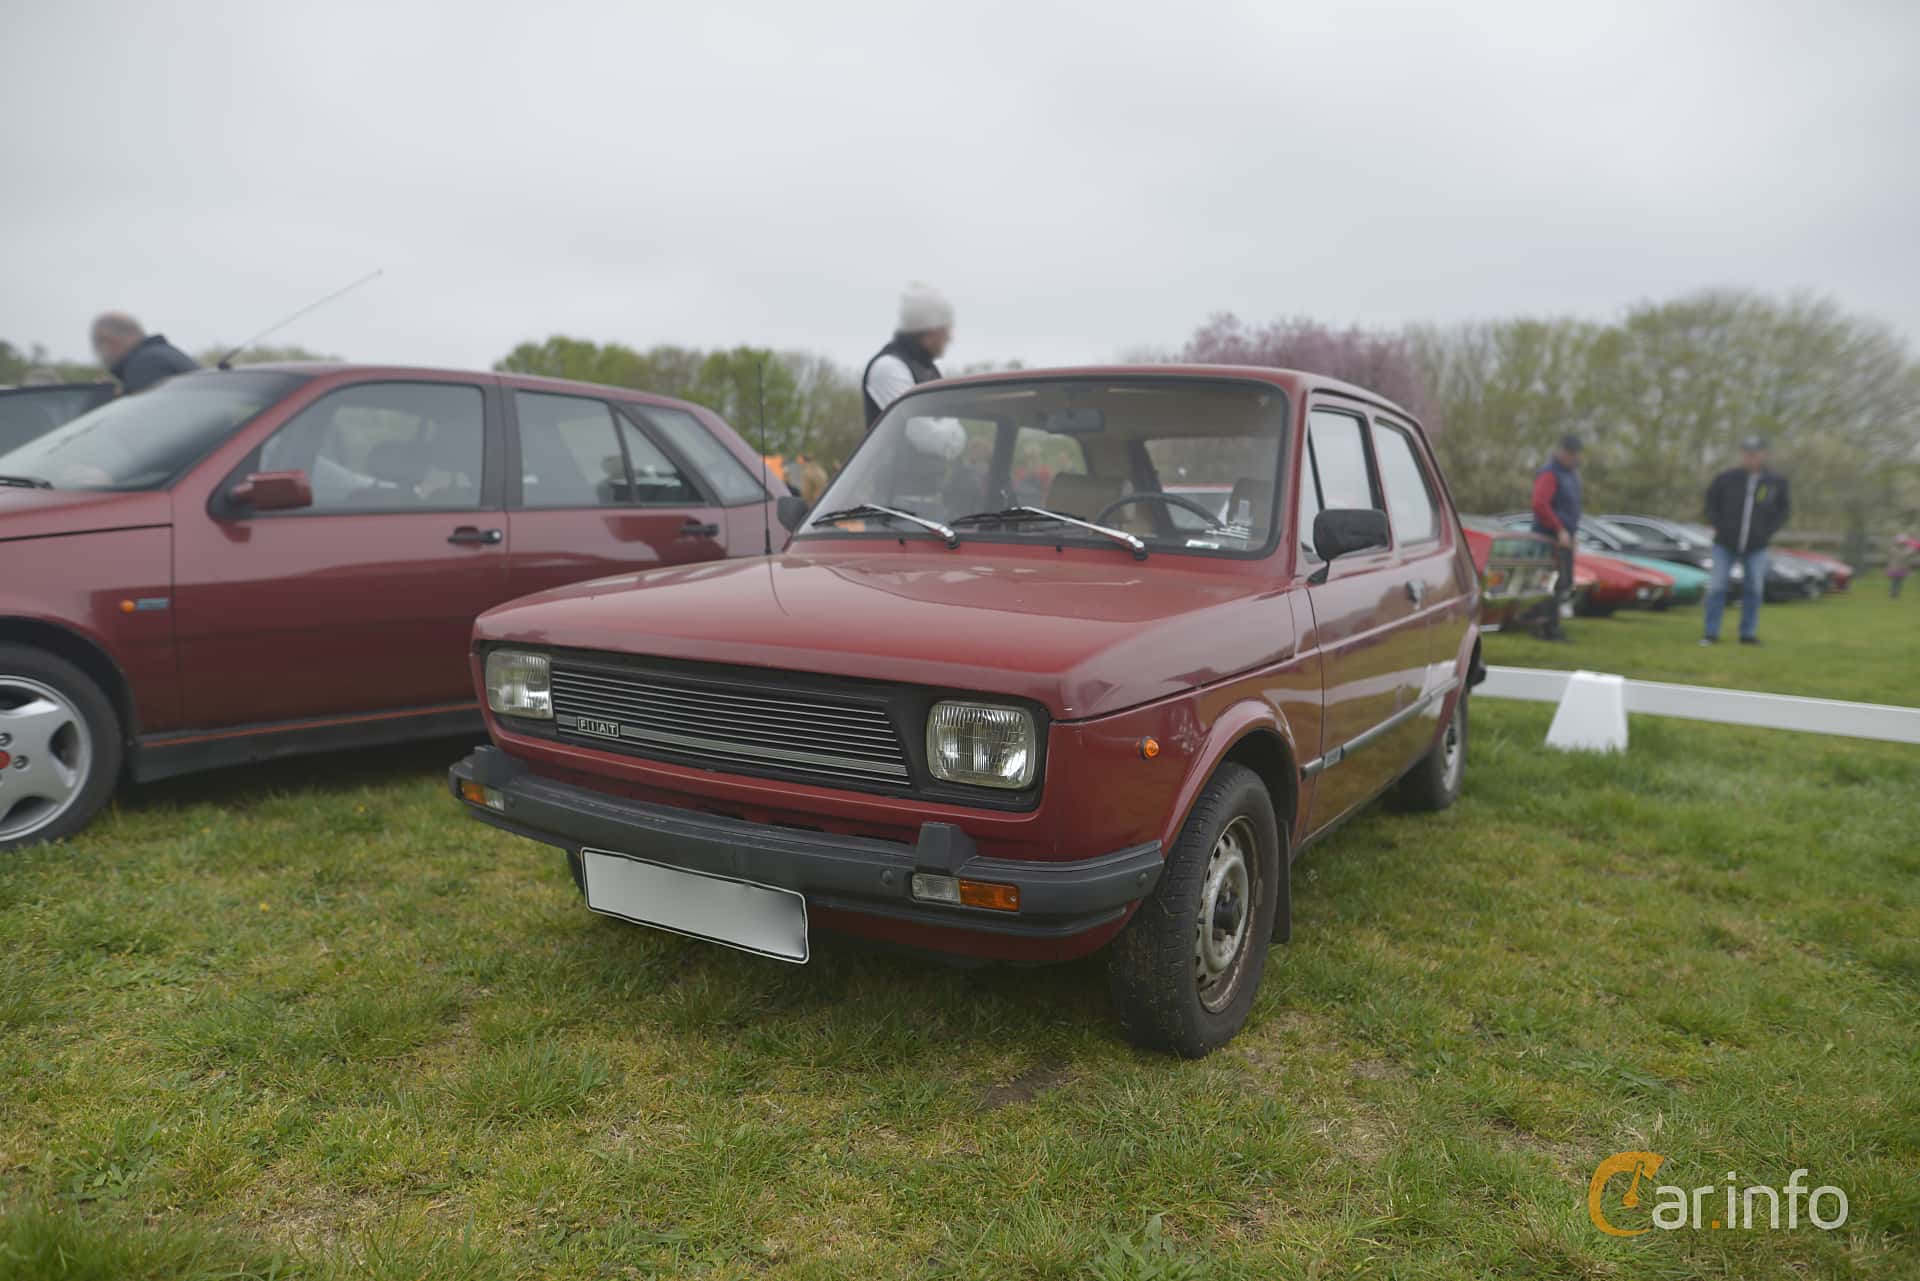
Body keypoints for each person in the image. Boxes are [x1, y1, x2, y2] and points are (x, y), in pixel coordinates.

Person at [1701, 436, 1791, 646]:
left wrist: (1767, 531)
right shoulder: (1726, 478)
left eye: (1755, 454)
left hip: (1757, 546)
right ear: (1742, 455)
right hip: (1725, 543)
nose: (1751, 458)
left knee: (1754, 589)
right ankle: (1710, 633)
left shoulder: (1775, 482)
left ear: (1764, 455)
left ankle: (1747, 634)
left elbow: (1783, 510)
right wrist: (1718, 524)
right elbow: (1710, 503)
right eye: (1747, 454)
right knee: (1717, 587)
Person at [861, 282, 953, 430]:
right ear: (930, 329)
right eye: (945, 329)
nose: (950, 337)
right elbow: (924, 433)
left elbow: (948, 421)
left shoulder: (929, 370)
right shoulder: (889, 367)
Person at [1528, 434, 1584, 642]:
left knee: (1563, 582)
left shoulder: (1572, 475)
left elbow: (1572, 509)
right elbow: (1540, 504)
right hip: (1549, 537)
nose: (1574, 458)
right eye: (1570, 453)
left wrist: (1572, 533)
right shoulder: (1550, 474)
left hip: (1564, 537)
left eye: (1576, 454)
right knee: (1552, 582)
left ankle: (1543, 623)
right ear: (1561, 452)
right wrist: (1559, 529)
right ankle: (1547, 628)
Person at [89, 312, 197, 394]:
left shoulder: (146, 364)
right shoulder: (163, 354)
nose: (99, 354)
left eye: (97, 345)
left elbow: (147, 418)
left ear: (109, 341)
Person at [1889, 529, 1917, 599]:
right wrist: (1910, 550)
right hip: (1895, 568)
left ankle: (1896, 594)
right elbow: (1901, 556)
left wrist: (1912, 550)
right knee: (1895, 582)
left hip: (1901, 568)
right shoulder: (1894, 549)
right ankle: (1893, 594)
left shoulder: (1904, 549)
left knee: (1899, 582)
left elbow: (1907, 556)